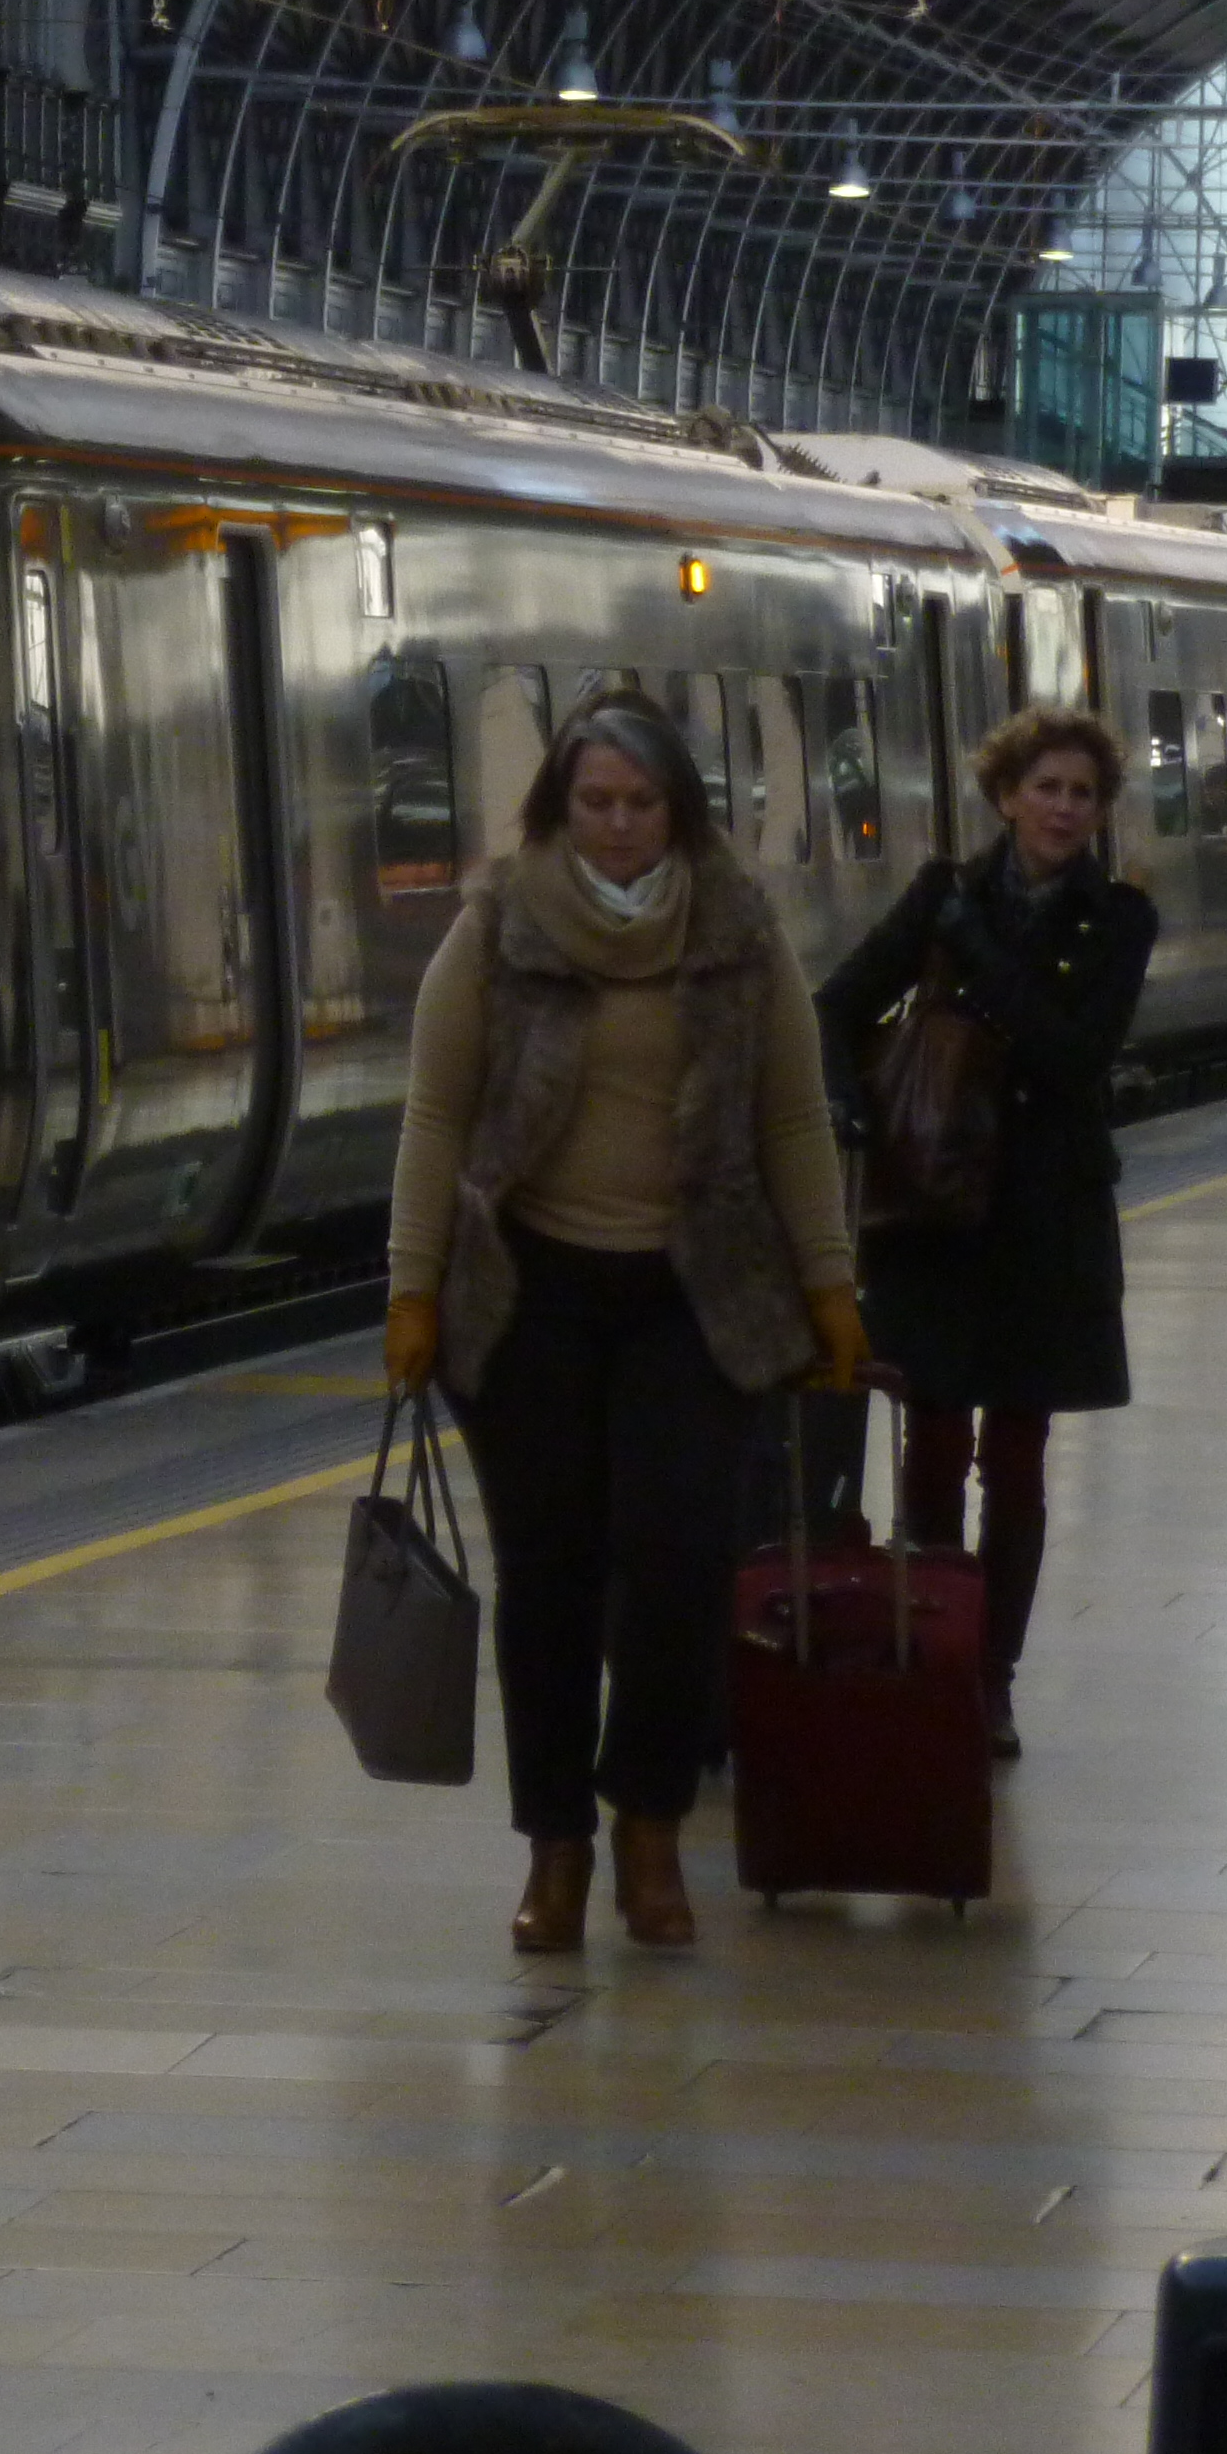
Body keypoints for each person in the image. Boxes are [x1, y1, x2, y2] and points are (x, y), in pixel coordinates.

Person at [383, 700, 864, 1952]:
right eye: (594, 802)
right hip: (529, 1297)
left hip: (692, 1297)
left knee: (675, 1567)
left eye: (640, 805)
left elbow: (794, 1122)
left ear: (679, 813)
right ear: (557, 807)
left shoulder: (739, 933)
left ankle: (649, 1823)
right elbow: (434, 1118)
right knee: (545, 1577)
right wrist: (413, 1288)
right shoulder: (495, 927)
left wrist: (829, 1285)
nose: (616, 827)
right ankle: (557, 1846)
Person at [812, 705, 1158, 1762]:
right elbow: (833, 1004)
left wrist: (973, 948)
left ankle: (992, 1675)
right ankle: (932, 1646)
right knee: (934, 1437)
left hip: (1045, 1219)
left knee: (1017, 1453)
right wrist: (849, 1104)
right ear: (1005, 796)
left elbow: (1070, 1054)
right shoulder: (938, 894)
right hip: (932, 1211)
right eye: (1045, 788)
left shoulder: (1120, 919)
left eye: (1082, 794)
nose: (1063, 808)